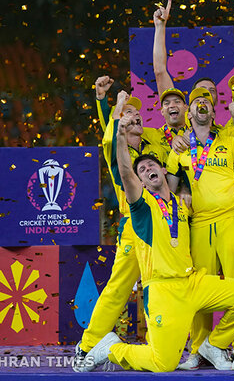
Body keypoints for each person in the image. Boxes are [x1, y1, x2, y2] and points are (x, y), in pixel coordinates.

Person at [74, 114, 234, 373]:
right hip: (163, 291)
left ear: (164, 169)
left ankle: (214, 344)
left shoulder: (182, 204)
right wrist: (119, 136)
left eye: (152, 165)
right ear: (139, 182)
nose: (148, 170)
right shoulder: (142, 207)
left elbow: (201, 185)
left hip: (192, 283)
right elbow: (125, 172)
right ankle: (111, 348)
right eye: (143, 170)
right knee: (164, 364)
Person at [165, 87, 234, 370]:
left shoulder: (229, 142)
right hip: (198, 223)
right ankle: (198, 350)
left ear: (213, 113)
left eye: (207, 103)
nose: (202, 105)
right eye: (196, 100)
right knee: (199, 288)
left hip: (231, 218)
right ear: (189, 113)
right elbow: (170, 190)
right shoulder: (180, 148)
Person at [74, 88, 166, 367]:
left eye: (137, 113)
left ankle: (159, 343)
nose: (135, 115)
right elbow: (111, 132)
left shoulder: (155, 144)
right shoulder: (115, 149)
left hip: (164, 223)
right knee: (119, 286)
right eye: (128, 114)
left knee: (159, 284)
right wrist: (114, 106)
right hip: (134, 224)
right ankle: (88, 344)